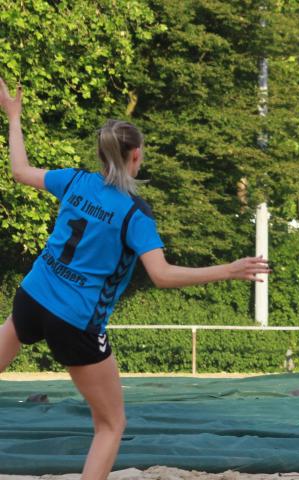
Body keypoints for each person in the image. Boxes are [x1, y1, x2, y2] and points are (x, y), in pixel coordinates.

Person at [0, 77, 270, 479]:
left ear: (100, 154)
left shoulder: (74, 181)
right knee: (111, 425)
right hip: (75, 320)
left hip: (33, 296)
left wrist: (13, 115)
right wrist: (228, 270)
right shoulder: (133, 214)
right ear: (136, 156)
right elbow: (161, 275)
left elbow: (19, 170)